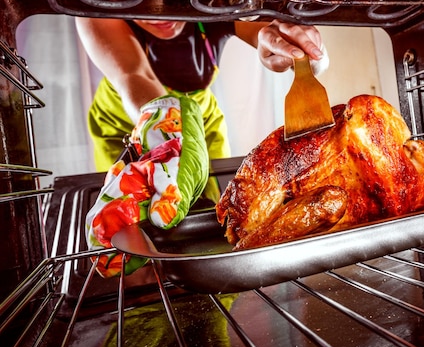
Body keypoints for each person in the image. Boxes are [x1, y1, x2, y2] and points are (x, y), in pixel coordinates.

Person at [76, 18, 328, 277]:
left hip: (202, 117)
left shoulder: (219, 0)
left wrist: (302, 48)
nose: (159, 17)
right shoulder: (95, 12)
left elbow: (265, 32)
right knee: (137, 226)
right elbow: (133, 74)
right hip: (129, 117)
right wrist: (163, 129)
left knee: (215, 212)